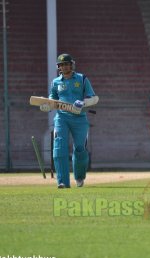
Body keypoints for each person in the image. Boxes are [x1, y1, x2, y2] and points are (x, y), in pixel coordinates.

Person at [40, 53, 98, 188]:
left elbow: (94, 98)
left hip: (80, 118)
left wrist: (83, 102)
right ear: (59, 67)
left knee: (80, 149)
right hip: (62, 117)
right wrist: (46, 106)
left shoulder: (82, 78)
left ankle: (79, 177)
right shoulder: (55, 82)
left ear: (71, 65)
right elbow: (52, 100)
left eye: (67, 64)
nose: (65, 67)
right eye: (62, 65)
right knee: (59, 147)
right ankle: (62, 182)